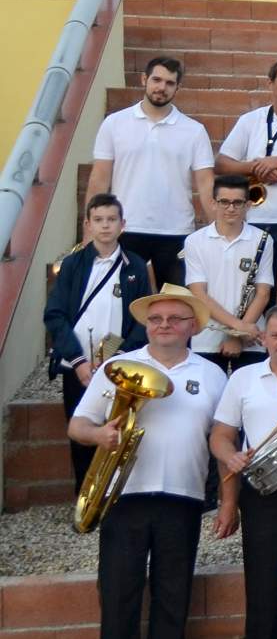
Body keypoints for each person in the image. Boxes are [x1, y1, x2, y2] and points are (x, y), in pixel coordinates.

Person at [69, 288, 225, 639]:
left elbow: (223, 439)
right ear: (146, 324)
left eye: (174, 319)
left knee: (173, 594)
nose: (164, 325)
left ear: (192, 326)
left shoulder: (211, 374)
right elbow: (77, 425)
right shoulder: (118, 367)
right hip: (124, 495)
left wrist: (227, 500)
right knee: (120, 592)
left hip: (184, 497)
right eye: (156, 319)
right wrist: (100, 436)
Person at [46, 193, 153, 491]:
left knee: (116, 430)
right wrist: (79, 362)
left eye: (111, 220)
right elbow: (55, 315)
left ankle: (112, 494)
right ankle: (85, 495)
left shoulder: (135, 267)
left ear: (122, 224)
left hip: (117, 366)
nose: (105, 226)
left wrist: (114, 358)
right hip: (76, 366)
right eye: (99, 220)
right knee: (82, 430)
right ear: (88, 224)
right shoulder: (72, 265)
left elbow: (141, 320)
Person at [88, 55, 217, 292]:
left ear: (178, 87)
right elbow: (99, 179)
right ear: (144, 79)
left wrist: (216, 235)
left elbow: (206, 183)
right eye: (156, 80)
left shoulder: (194, 131)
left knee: (177, 308)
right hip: (126, 228)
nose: (161, 87)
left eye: (169, 83)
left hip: (177, 231)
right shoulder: (114, 123)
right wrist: (90, 233)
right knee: (123, 305)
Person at [184, 173, 272, 370]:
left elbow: (263, 294)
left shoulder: (263, 239)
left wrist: (238, 337)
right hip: (206, 336)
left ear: (247, 205)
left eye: (237, 203)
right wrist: (239, 328)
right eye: (224, 202)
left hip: (251, 340)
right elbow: (198, 294)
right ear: (214, 203)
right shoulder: (195, 241)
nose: (230, 208)